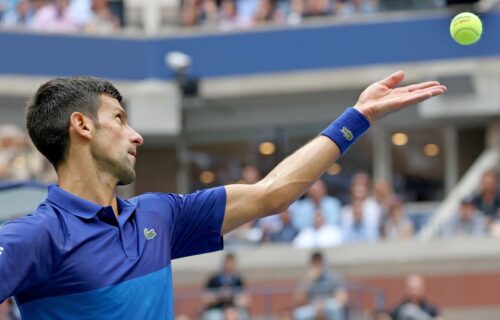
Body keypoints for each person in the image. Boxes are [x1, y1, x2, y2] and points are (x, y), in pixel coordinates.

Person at [0, 72, 446, 319]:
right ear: (82, 126)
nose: (136, 136)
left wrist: (358, 117)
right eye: (119, 118)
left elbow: (271, 194)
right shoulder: (37, 236)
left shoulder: (160, 215)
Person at [202, 254, 249, 320]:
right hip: (217, 310)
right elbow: (205, 299)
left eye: (232, 263)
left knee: (242, 315)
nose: (229, 266)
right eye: (228, 263)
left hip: (234, 309)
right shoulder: (214, 279)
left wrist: (232, 296)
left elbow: (246, 300)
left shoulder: (238, 280)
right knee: (213, 317)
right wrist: (219, 295)